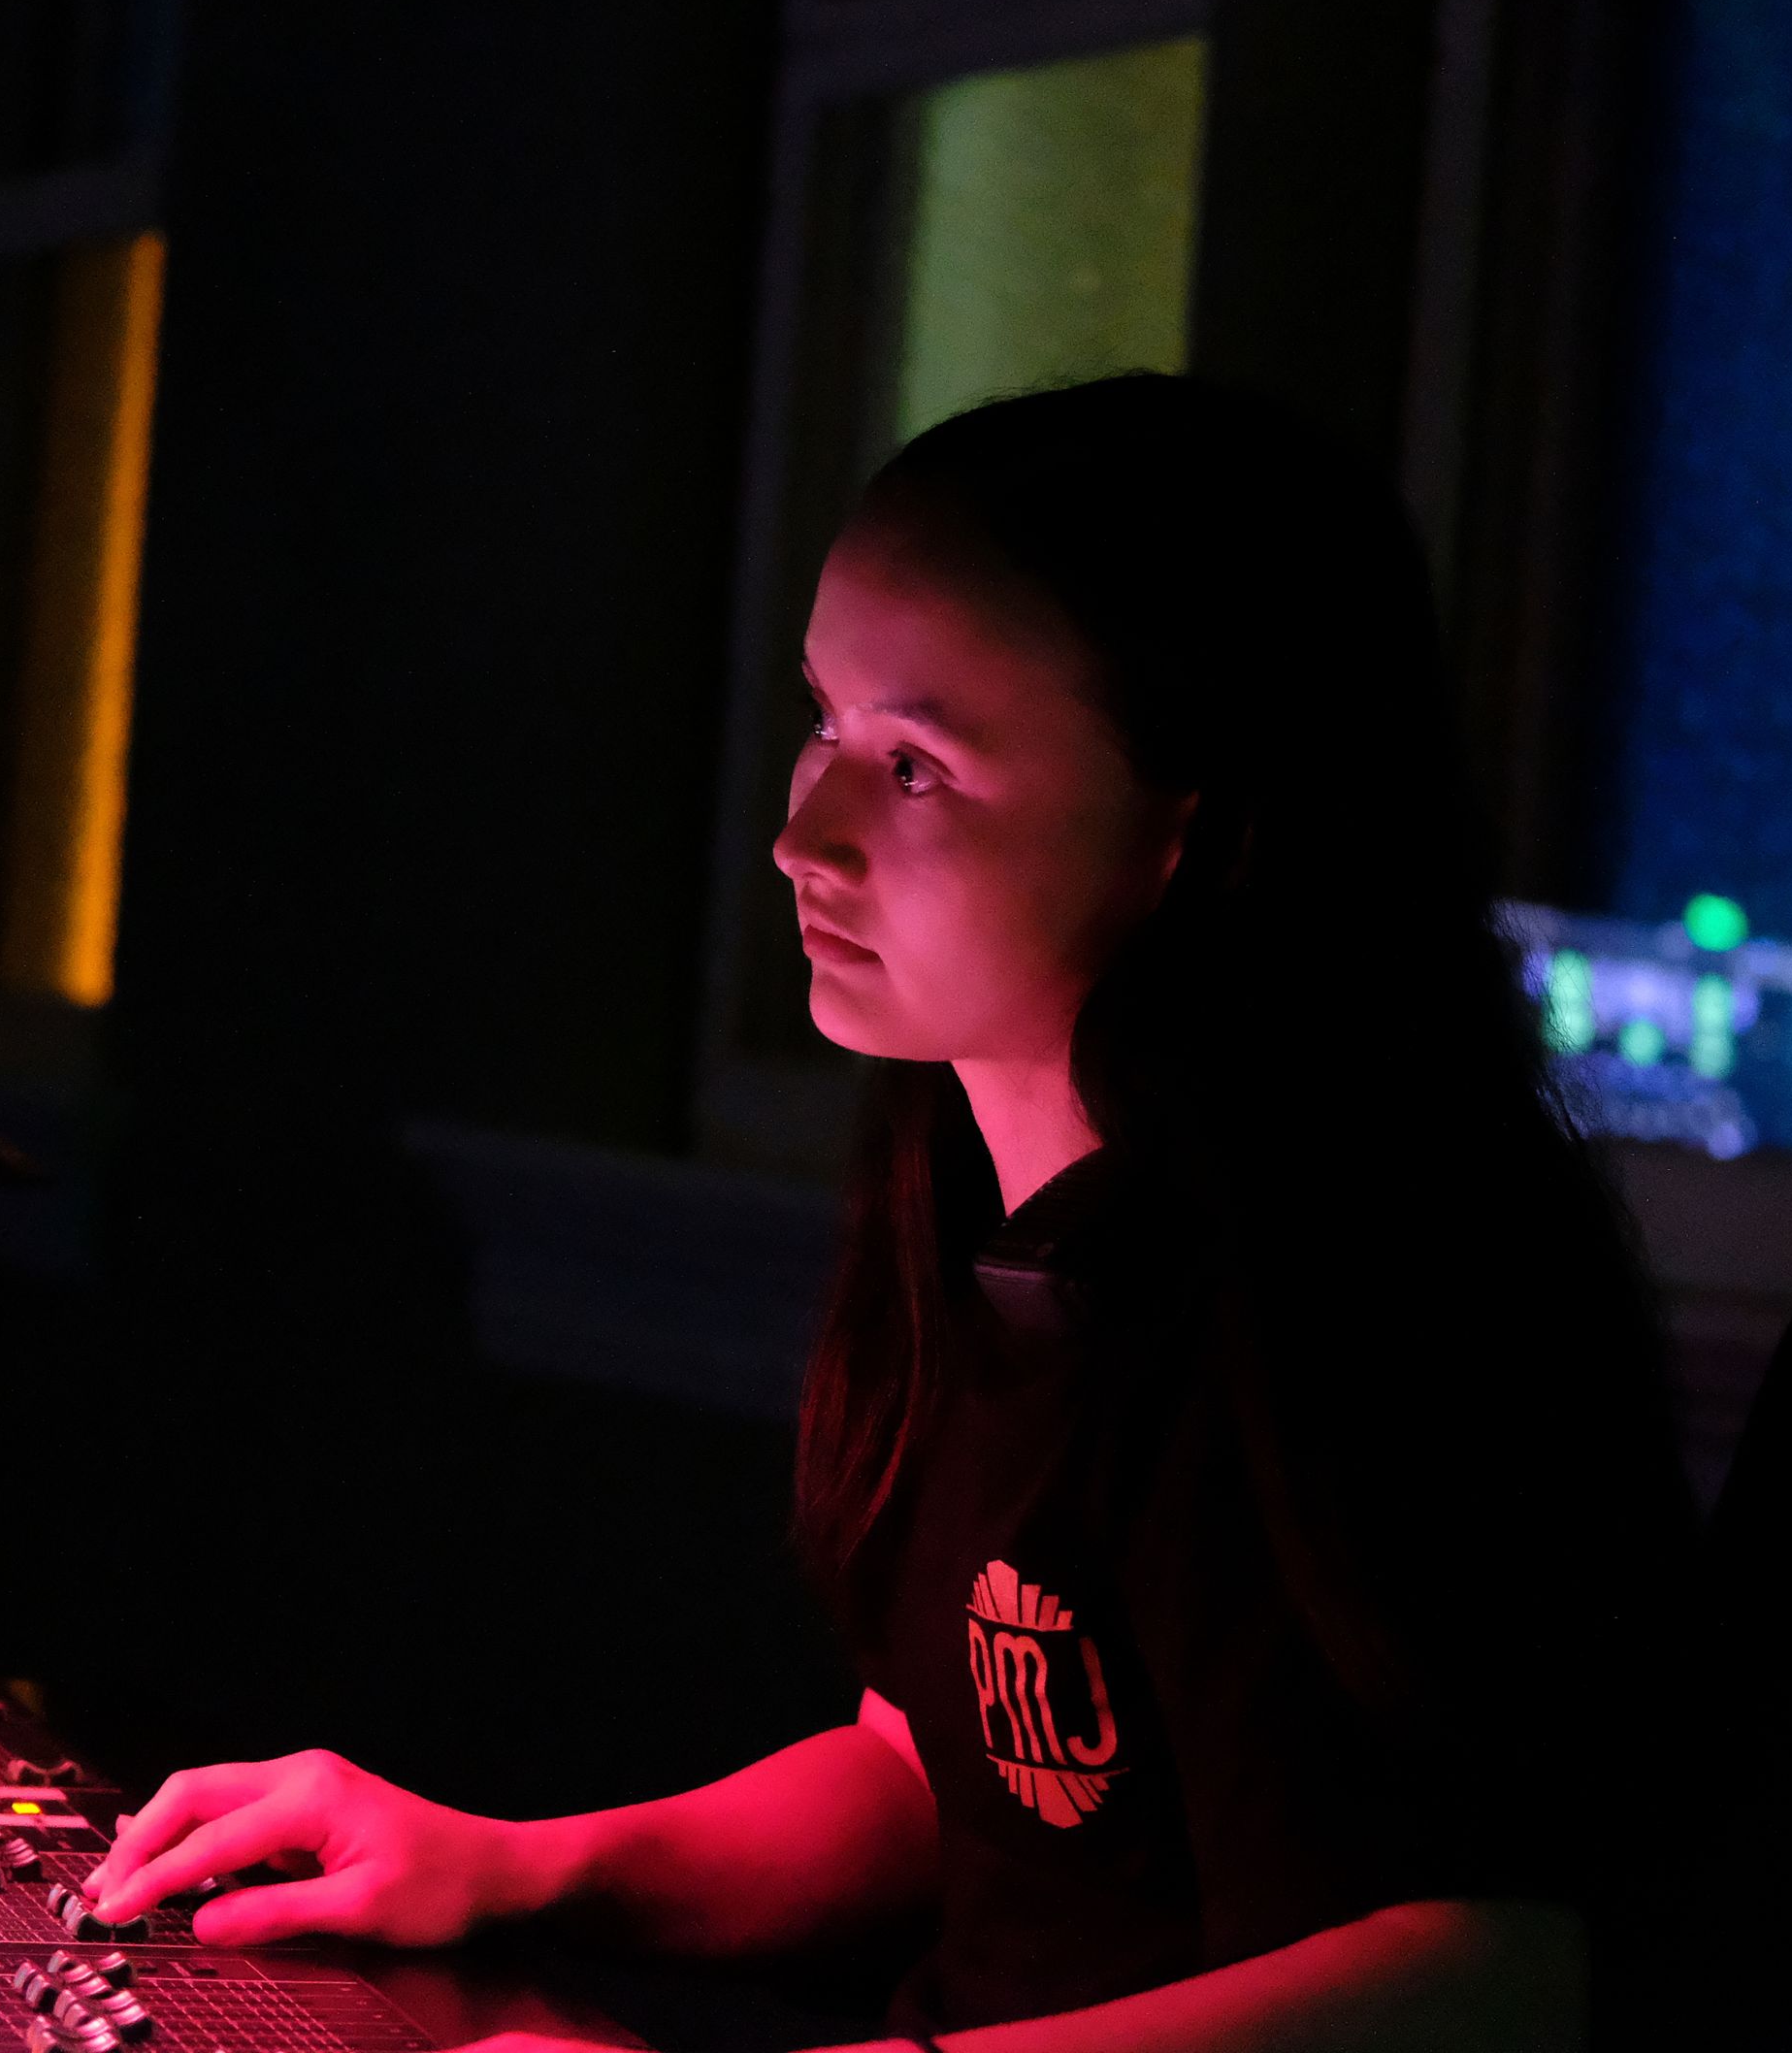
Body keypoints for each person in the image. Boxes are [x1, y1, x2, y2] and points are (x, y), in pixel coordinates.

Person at [85, 376, 1693, 2051]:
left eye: (917, 766)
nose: (803, 835)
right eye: (825, 723)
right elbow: (943, 1778)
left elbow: (1489, 1973)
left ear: (1188, 837)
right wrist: (515, 1867)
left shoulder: (1374, 1308)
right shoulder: (987, 1223)